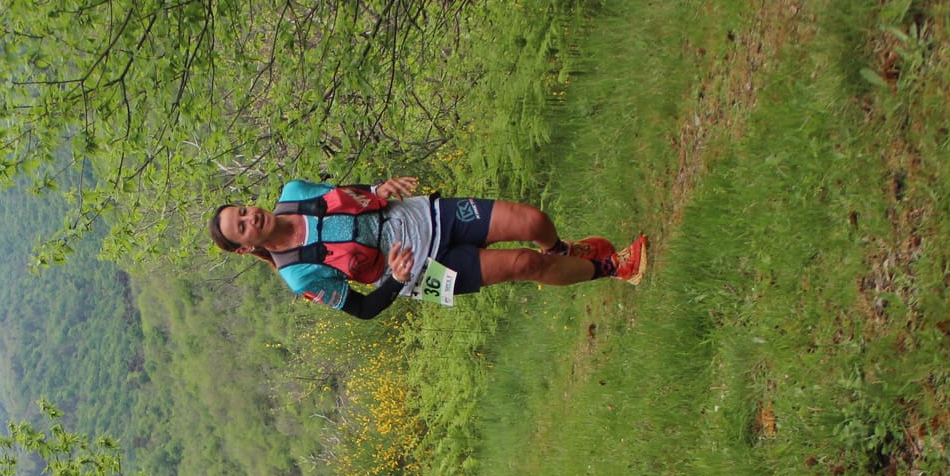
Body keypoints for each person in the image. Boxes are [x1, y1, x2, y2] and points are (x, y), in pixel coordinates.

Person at [209, 176, 647, 318]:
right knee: (522, 263)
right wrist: (397, 281)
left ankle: (566, 253)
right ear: (247, 248)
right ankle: (616, 267)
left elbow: (350, 196)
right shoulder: (297, 275)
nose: (251, 217)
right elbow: (363, 310)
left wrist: (379, 187)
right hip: (418, 275)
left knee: (532, 221)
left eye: (244, 210)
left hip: (422, 216)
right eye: (242, 228)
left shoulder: (294, 191)